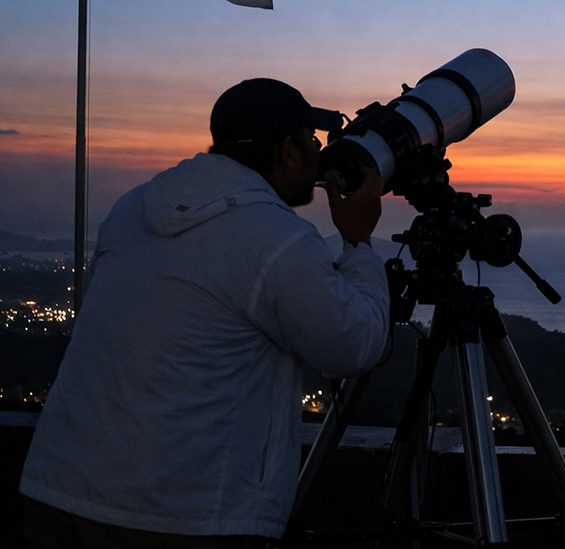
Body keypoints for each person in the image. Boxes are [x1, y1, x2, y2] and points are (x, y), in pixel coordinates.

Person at [21, 78, 390, 546]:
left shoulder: (134, 205)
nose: (319, 155)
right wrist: (358, 242)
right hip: (179, 516)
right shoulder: (275, 238)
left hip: (59, 489)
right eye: (311, 142)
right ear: (288, 153)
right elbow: (353, 345)